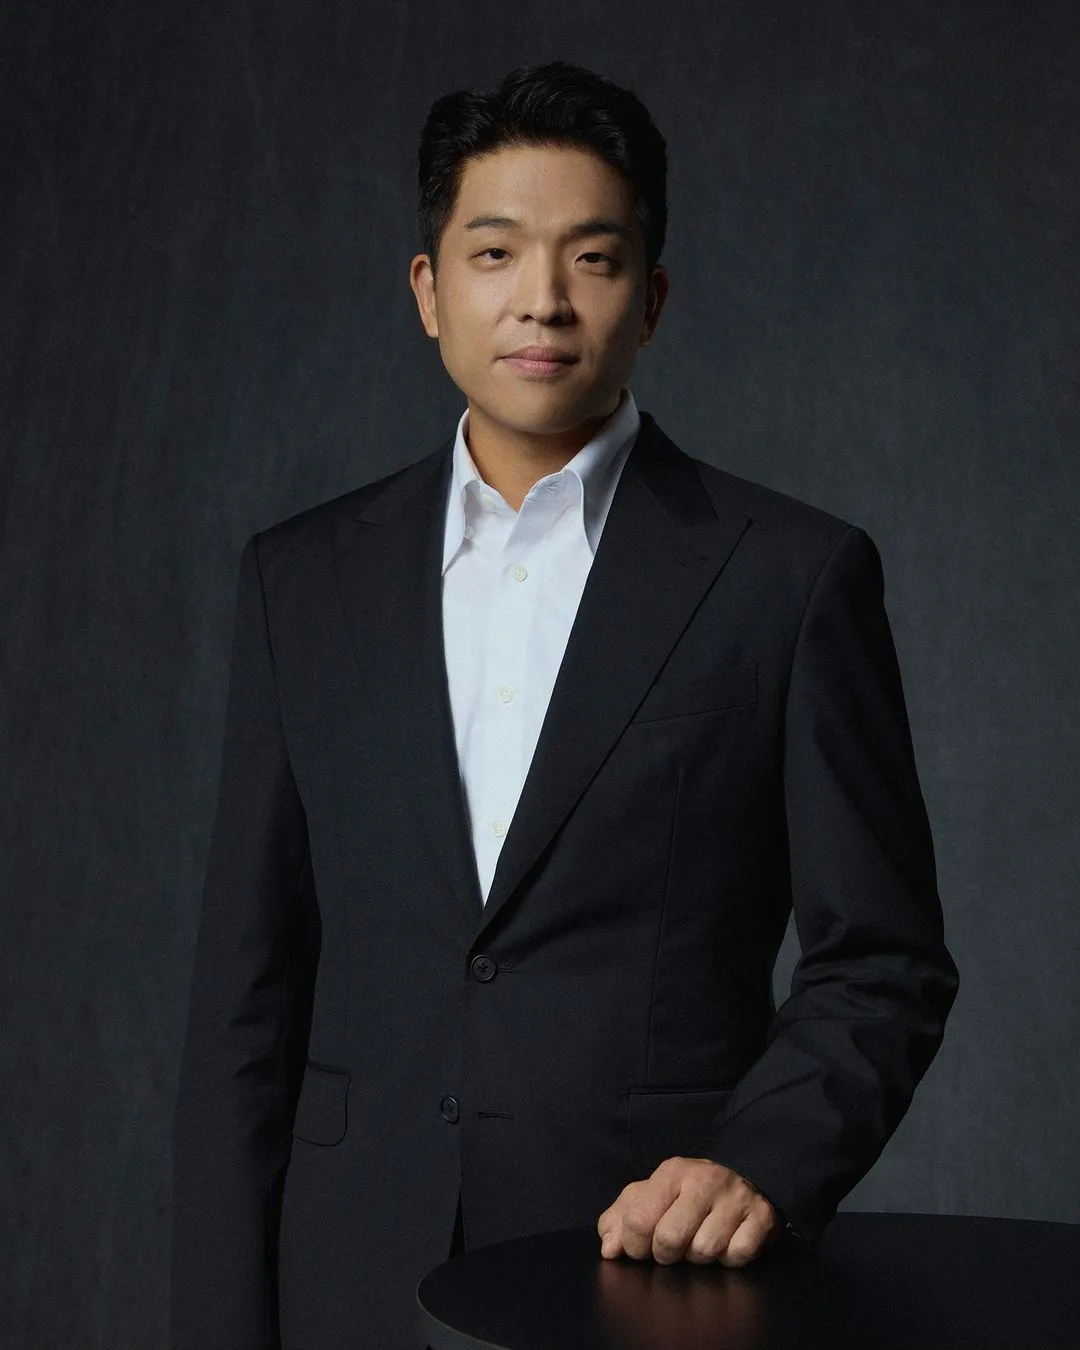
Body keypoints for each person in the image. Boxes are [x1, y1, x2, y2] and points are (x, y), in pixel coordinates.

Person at [169, 59, 959, 1350]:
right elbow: (243, 1007)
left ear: (652, 300)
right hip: (345, 1280)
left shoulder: (789, 578)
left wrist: (759, 1163)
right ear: (429, 291)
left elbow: (885, 957)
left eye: (592, 258)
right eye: (494, 254)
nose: (541, 298)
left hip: (647, 1275)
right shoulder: (298, 581)